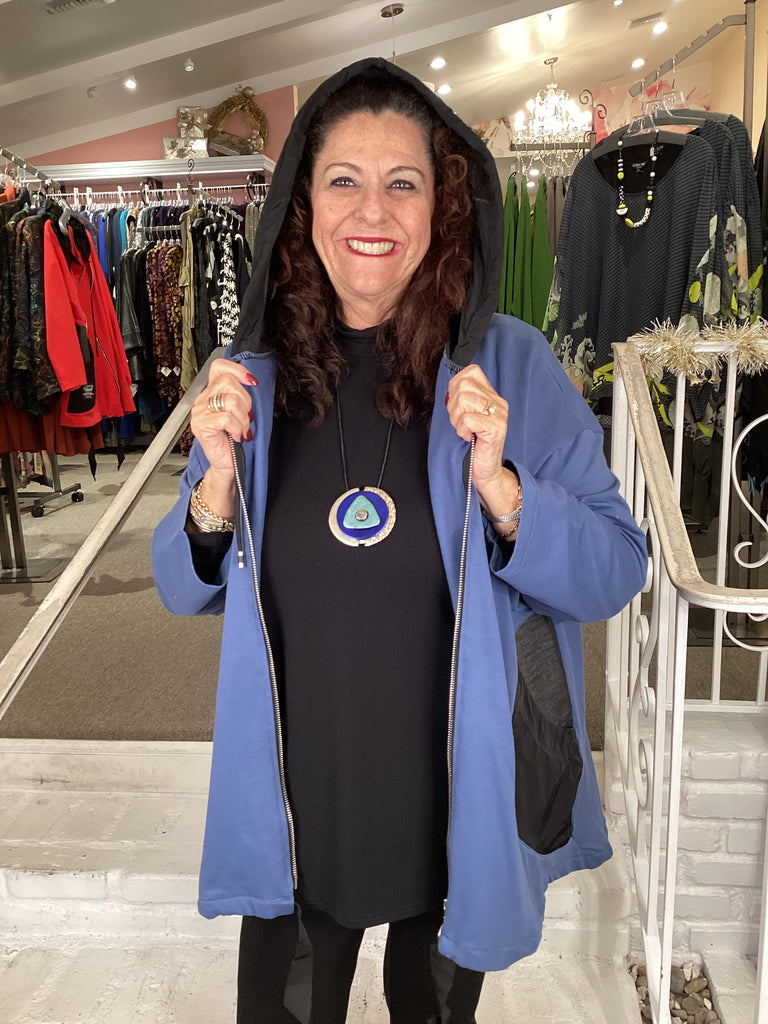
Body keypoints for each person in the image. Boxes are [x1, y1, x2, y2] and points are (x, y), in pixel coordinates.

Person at [152, 57, 647, 1024]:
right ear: (304, 206)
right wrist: (215, 480)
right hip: (303, 805)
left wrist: (504, 488)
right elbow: (182, 584)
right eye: (343, 179)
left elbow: (615, 566)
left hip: (459, 806)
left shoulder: (511, 366)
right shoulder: (251, 379)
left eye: (404, 182)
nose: (371, 210)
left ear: (443, 207)